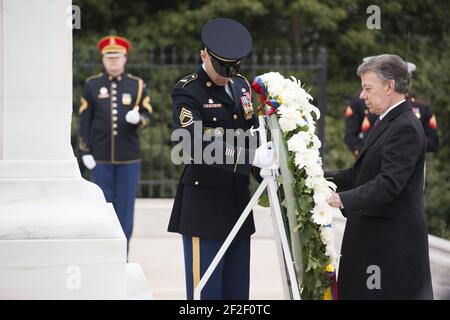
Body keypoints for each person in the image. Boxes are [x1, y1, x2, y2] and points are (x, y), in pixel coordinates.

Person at [167, 18, 275, 300]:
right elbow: (193, 143)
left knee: (237, 293)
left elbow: (250, 130)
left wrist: (263, 159)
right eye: (221, 66)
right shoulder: (188, 90)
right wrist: (251, 156)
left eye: (234, 66)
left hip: (238, 202)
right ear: (204, 55)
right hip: (205, 207)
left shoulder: (239, 86)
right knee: (207, 294)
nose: (227, 73)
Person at [327, 54, 433, 299]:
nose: (362, 95)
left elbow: (388, 184)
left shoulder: (404, 126)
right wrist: (318, 177)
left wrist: (341, 199)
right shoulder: (388, 121)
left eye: (367, 88)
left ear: (389, 86)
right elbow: (360, 173)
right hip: (376, 241)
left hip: (391, 247)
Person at [78, 35, 153, 252]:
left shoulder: (137, 85)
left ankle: (122, 253)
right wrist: (85, 151)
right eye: (109, 57)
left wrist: (139, 119)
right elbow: (85, 120)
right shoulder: (92, 85)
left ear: (125, 58)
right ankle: (102, 252)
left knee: (125, 209)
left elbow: (148, 114)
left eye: (117, 57)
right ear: (103, 60)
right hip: (99, 159)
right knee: (101, 208)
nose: (113, 61)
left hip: (129, 159)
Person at [344, 59, 439, 158]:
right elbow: (361, 138)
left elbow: (433, 143)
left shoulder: (422, 108)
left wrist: (405, 143)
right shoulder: (374, 111)